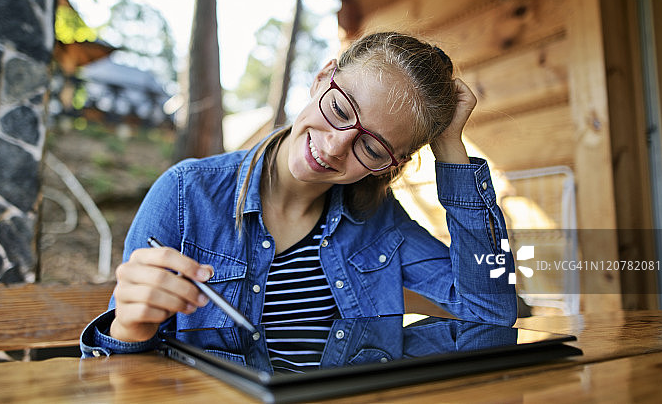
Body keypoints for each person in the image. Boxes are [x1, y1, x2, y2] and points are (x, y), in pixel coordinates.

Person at [80, 32, 517, 358]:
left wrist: (452, 152)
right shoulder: (185, 194)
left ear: (393, 164)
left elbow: (492, 313)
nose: (332, 147)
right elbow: (112, 375)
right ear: (324, 77)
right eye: (340, 109)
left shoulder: (381, 222)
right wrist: (129, 328)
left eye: (371, 147)